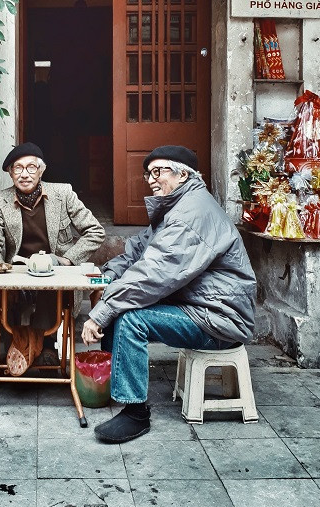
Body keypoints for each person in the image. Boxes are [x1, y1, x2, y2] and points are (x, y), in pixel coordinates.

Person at [82, 145, 256, 444]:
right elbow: (137, 252)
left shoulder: (193, 213)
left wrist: (102, 311)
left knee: (130, 318)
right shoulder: (174, 208)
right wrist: (105, 276)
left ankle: (135, 413)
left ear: (183, 174)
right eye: (148, 173)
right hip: (197, 305)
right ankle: (115, 386)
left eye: (159, 171)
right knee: (116, 299)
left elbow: (154, 274)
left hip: (218, 318)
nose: (151, 178)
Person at [0, 142, 105, 374]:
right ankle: (15, 350)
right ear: (10, 173)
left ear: (41, 171)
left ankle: (43, 348)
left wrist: (67, 259)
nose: (24, 174)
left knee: (51, 286)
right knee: (5, 293)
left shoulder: (63, 193)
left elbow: (95, 231)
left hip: (54, 270)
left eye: (31, 167)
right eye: (18, 168)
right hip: (16, 272)